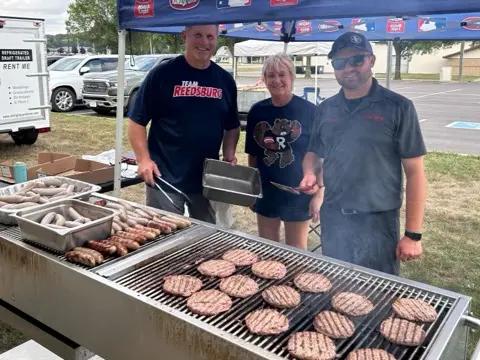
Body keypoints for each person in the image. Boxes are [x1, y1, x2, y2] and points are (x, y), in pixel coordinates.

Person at [299, 32, 427, 275]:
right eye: (339, 63)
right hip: (335, 217)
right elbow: (314, 151)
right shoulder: (325, 109)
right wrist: (309, 172)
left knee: (379, 295)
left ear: (371, 60)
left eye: (356, 60)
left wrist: (413, 234)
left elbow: (415, 173)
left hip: (378, 220)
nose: (347, 68)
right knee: (335, 289)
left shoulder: (398, 107)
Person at [127, 24, 240, 224]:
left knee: (206, 239)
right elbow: (137, 121)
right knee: (165, 238)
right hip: (165, 176)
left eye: (210, 37)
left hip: (207, 179)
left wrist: (229, 153)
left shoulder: (225, 80)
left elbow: (232, 125)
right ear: (184, 35)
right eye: (198, 35)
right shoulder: (162, 75)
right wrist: (143, 159)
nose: (204, 42)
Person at [245, 53, 322, 250]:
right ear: (264, 79)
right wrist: (252, 190)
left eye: (282, 74)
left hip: (298, 191)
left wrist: (320, 192)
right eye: (271, 75)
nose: (276, 80)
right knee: (267, 248)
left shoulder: (310, 111)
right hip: (266, 190)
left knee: (297, 252)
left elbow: (321, 156)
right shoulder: (257, 111)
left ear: (292, 77)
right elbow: (253, 155)